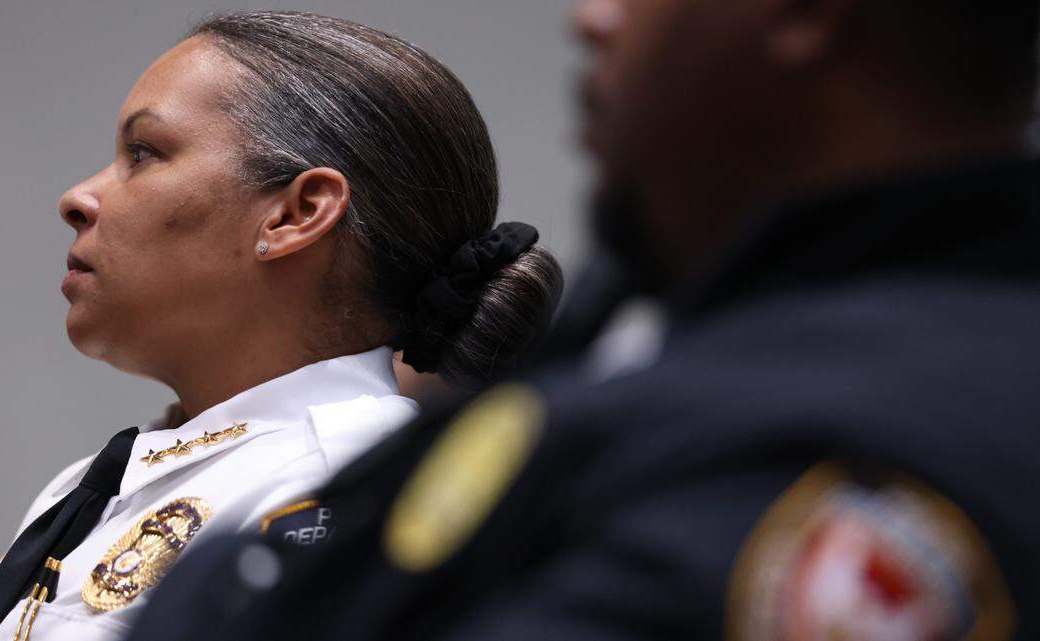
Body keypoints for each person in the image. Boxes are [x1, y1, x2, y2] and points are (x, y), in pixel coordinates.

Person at [126, 0, 1040, 640]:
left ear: (805, 9)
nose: (589, 17)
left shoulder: (839, 442)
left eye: (144, 155)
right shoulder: (682, 359)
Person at [0, 11, 562, 641]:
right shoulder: (92, 484)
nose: (78, 198)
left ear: (295, 214)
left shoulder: (341, 492)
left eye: (143, 154)